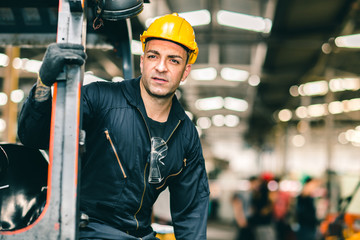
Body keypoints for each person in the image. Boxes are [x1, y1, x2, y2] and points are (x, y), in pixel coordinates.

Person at [17, 12, 210, 240]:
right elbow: (33, 136)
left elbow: (192, 213)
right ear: (142, 60)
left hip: (139, 234)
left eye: (173, 60)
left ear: (185, 71)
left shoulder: (185, 134)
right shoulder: (99, 98)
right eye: (153, 56)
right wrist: (43, 84)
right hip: (85, 228)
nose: (161, 67)